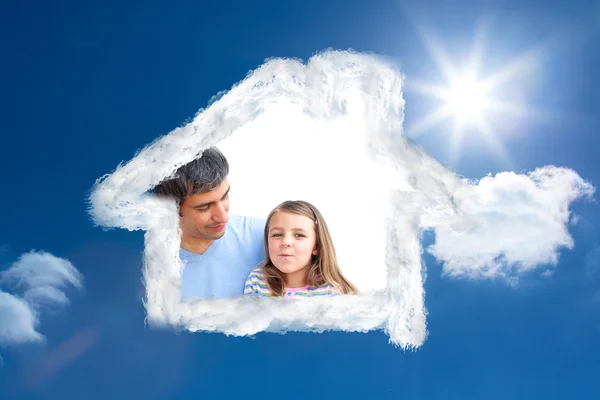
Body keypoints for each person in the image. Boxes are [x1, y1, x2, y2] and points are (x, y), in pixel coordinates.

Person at [154, 146, 265, 300]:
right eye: (204, 207)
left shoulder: (270, 238)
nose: (223, 217)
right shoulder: (149, 268)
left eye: (225, 197)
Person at [244, 200, 357, 298]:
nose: (286, 242)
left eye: (299, 235)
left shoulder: (331, 292)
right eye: (277, 234)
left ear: (316, 245)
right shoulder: (257, 281)